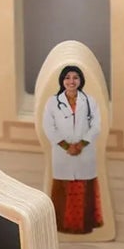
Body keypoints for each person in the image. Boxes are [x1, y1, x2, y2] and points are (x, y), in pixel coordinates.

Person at [41, 64, 105, 236]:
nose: (71, 81)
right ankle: (62, 225)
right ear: (62, 80)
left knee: (84, 187)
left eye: (75, 77)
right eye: (67, 77)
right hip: (63, 153)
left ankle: (85, 225)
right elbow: (48, 127)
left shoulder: (90, 101)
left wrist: (81, 144)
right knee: (64, 188)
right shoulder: (53, 103)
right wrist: (66, 146)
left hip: (85, 153)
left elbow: (96, 126)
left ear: (81, 80)